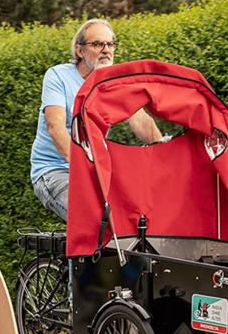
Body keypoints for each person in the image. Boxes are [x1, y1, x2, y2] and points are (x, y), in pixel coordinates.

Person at [30, 19, 162, 221]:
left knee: (139, 217)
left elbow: (140, 121)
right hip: (54, 171)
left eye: (110, 44)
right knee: (97, 220)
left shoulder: (115, 83)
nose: (106, 50)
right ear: (80, 51)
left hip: (97, 169)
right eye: (98, 44)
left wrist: (163, 150)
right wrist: (85, 168)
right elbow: (55, 126)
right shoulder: (58, 76)